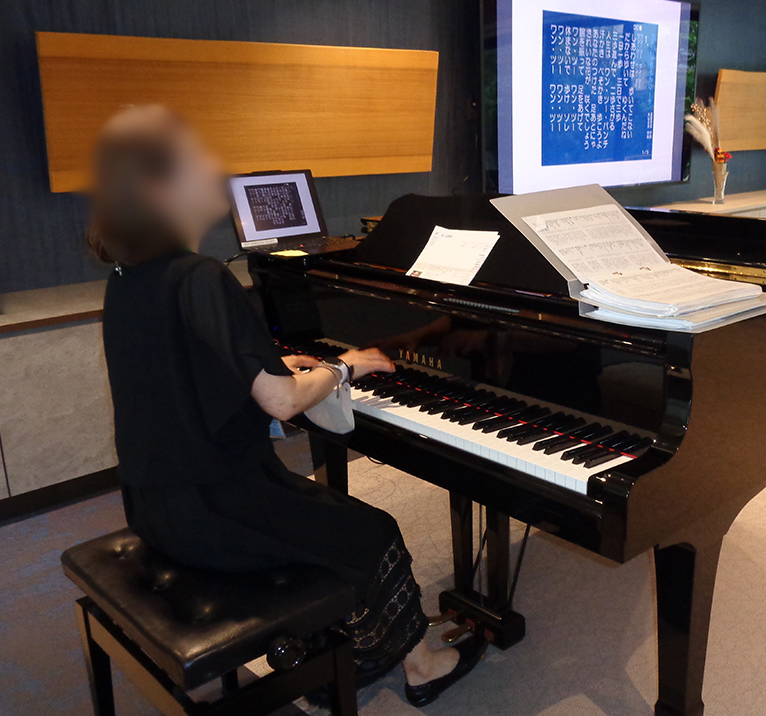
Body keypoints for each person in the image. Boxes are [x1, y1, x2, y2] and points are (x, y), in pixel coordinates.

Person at [91, 105, 485, 707]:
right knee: (373, 531)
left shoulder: (128, 276)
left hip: (155, 506)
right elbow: (279, 400)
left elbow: (183, 369)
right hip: (215, 509)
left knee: (327, 521)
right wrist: (343, 366)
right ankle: (417, 665)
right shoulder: (199, 276)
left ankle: (330, 655)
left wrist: (274, 364)